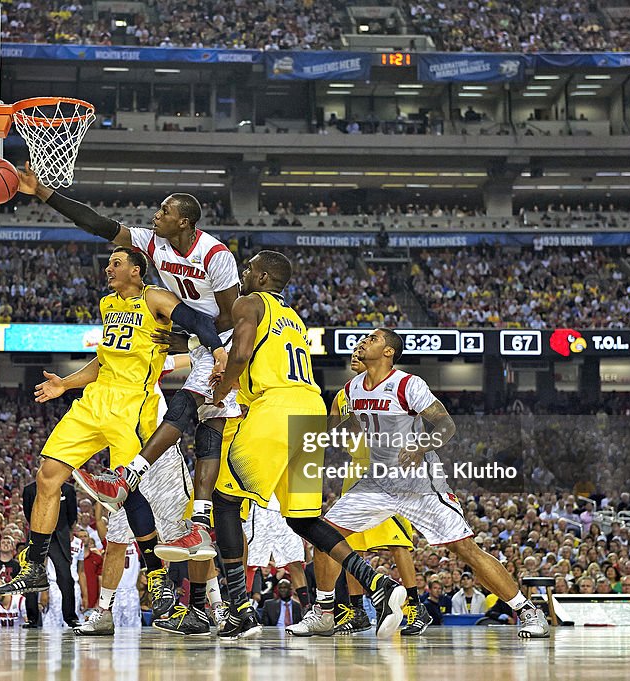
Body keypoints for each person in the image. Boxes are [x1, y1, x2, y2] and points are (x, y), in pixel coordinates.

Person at [11, 163, 239, 552]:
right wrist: (45, 194)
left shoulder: (215, 254)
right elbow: (99, 224)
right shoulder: (151, 244)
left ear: (184, 221)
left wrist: (207, 345)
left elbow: (230, 315)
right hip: (197, 341)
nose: (156, 215)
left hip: (227, 342)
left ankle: (186, 513)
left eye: (165, 211)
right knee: (197, 422)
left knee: (196, 415)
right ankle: (191, 530)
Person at [0, 248, 222, 609]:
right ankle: (36, 563)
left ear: (136, 271)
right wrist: (65, 385)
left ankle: (158, 577)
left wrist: (213, 349)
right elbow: (103, 359)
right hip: (94, 401)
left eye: (116, 264)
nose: (108, 269)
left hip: (132, 405)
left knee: (126, 492)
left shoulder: (155, 298)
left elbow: (200, 323)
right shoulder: (107, 305)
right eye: (108, 263)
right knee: (47, 475)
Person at [291, 328, 549, 638]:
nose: (363, 342)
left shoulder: (408, 384)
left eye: (372, 339)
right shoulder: (353, 389)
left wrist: (421, 445)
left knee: (463, 548)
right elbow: (349, 430)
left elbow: (446, 425)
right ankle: (325, 612)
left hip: (419, 482)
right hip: (377, 480)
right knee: (325, 535)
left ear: (389, 352)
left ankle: (528, 611)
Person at [208, 251, 407, 640]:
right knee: (302, 519)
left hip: (275, 407)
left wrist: (224, 387)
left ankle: (239, 609)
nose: (243, 274)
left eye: (248, 269)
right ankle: (378, 584)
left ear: (263, 277)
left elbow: (242, 352)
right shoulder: (294, 318)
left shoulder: (250, 302)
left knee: (225, 500)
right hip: (309, 409)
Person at [327, 348, 432, 636]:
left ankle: (415, 606)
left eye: (360, 354)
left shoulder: (390, 389)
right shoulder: (343, 394)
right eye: (352, 354)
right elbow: (333, 428)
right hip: (356, 469)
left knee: (398, 543)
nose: (354, 357)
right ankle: (357, 609)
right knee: (351, 545)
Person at [21, 481, 79, 629]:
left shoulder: (68, 489)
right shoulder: (30, 489)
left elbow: (72, 515)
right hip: (37, 535)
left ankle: (70, 617)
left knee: (65, 578)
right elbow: (28, 514)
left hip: (59, 538)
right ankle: (32, 618)